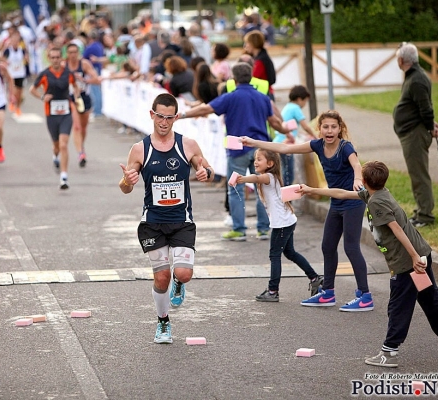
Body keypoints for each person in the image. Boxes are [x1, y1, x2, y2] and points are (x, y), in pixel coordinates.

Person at [299, 161, 438, 367]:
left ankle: (389, 352)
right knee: (430, 300)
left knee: (398, 307)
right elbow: (341, 193)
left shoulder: (376, 203)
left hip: (408, 263)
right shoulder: (376, 194)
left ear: (365, 181)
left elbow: (397, 230)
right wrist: (310, 189)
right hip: (421, 255)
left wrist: (412, 257)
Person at [241, 110, 374, 311]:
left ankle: (365, 296)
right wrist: (255, 142)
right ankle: (327, 292)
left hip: (353, 201)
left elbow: (356, 164)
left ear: (340, 129)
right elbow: (285, 149)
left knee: (350, 247)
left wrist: (357, 179)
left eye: (333, 127)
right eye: (325, 127)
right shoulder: (317, 145)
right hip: (336, 202)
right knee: (328, 246)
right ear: (319, 129)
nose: (329, 130)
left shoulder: (346, 147)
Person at [119, 93, 214, 344]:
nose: (164, 122)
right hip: (153, 222)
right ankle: (163, 322)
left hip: (181, 220)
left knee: (182, 273)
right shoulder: (140, 149)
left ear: (176, 117)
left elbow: (208, 170)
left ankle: (180, 285)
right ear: (152, 115)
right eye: (160, 116)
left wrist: (206, 173)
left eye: (169, 117)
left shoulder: (188, 145)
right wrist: (127, 181)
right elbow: (125, 187)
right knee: (162, 277)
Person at [181, 62, 290, 242]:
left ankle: (239, 229)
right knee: (263, 188)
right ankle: (264, 229)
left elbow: (206, 108)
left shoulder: (230, 97)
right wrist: (286, 131)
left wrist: (183, 115)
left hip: (236, 147)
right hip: (260, 147)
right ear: (251, 76)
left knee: (235, 188)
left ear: (234, 78)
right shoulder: (263, 97)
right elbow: (275, 122)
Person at [235, 149, 323, 302]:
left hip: (282, 224)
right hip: (287, 221)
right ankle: (314, 278)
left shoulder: (268, 177)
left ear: (270, 164)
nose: (255, 162)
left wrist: (241, 179)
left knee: (275, 255)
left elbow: (256, 178)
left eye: (259, 159)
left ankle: (273, 290)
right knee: (290, 253)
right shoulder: (272, 177)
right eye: (255, 159)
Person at [393, 42, 438, 228]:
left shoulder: (417, 79)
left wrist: (430, 126)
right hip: (411, 131)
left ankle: (425, 215)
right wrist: (430, 123)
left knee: (419, 175)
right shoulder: (413, 77)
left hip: (415, 134)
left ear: (401, 60)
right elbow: (420, 107)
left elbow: (426, 108)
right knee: (416, 175)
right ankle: (421, 210)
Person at [29, 47, 82, 190]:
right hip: (51, 114)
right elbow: (32, 89)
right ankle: (55, 157)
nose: (55, 60)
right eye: (52, 57)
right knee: (57, 145)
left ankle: (64, 177)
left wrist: (76, 97)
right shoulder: (45, 74)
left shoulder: (68, 73)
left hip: (66, 113)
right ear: (49, 59)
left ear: (61, 58)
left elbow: (76, 87)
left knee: (64, 144)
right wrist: (42, 97)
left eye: (57, 57)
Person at [66, 43, 99, 168]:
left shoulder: (84, 64)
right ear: (67, 54)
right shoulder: (65, 66)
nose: (73, 55)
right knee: (77, 127)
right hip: (70, 98)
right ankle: (81, 153)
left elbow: (96, 79)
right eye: (70, 52)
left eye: (75, 52)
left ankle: (81, 146)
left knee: (84, 128)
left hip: (84, 97)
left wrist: (84, 80)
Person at [277, 85, 318, 186]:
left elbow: (292, 127)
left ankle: (284, 195)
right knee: (288, 174)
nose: (304, 104)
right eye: (305, 101)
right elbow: (305, 126)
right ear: (300, 99)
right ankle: (285, 197)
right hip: (286, 143)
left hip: (279, 141)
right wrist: (315, 136)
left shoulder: (288, 107)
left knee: (284, 171)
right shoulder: (295, 108)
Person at [2, 31, 29, 116]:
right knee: (13, 91)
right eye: (13, 40)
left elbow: (27, 59)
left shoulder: (22, 50)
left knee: (20, 92)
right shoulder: (8, 50)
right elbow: (2, 58)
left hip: (20, 73)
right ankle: (12, 102)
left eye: (16, 41)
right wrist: (6, 62)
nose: (15, 42)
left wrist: (27, 59)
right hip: (12, 74)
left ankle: (18, 108)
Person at [243, 30, 276, 100]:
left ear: (253, 43)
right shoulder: (262, 57)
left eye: (247, 43)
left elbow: (252, 78)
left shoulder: (260, 61)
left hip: (264, 94)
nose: (245, 46)